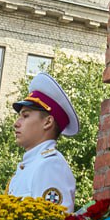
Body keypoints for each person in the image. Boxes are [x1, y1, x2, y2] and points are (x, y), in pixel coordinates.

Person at [7, 72, 80, 211]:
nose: (16, 123)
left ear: (47, 122)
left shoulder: (50, 165)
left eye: (25, 116)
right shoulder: (31, 164)